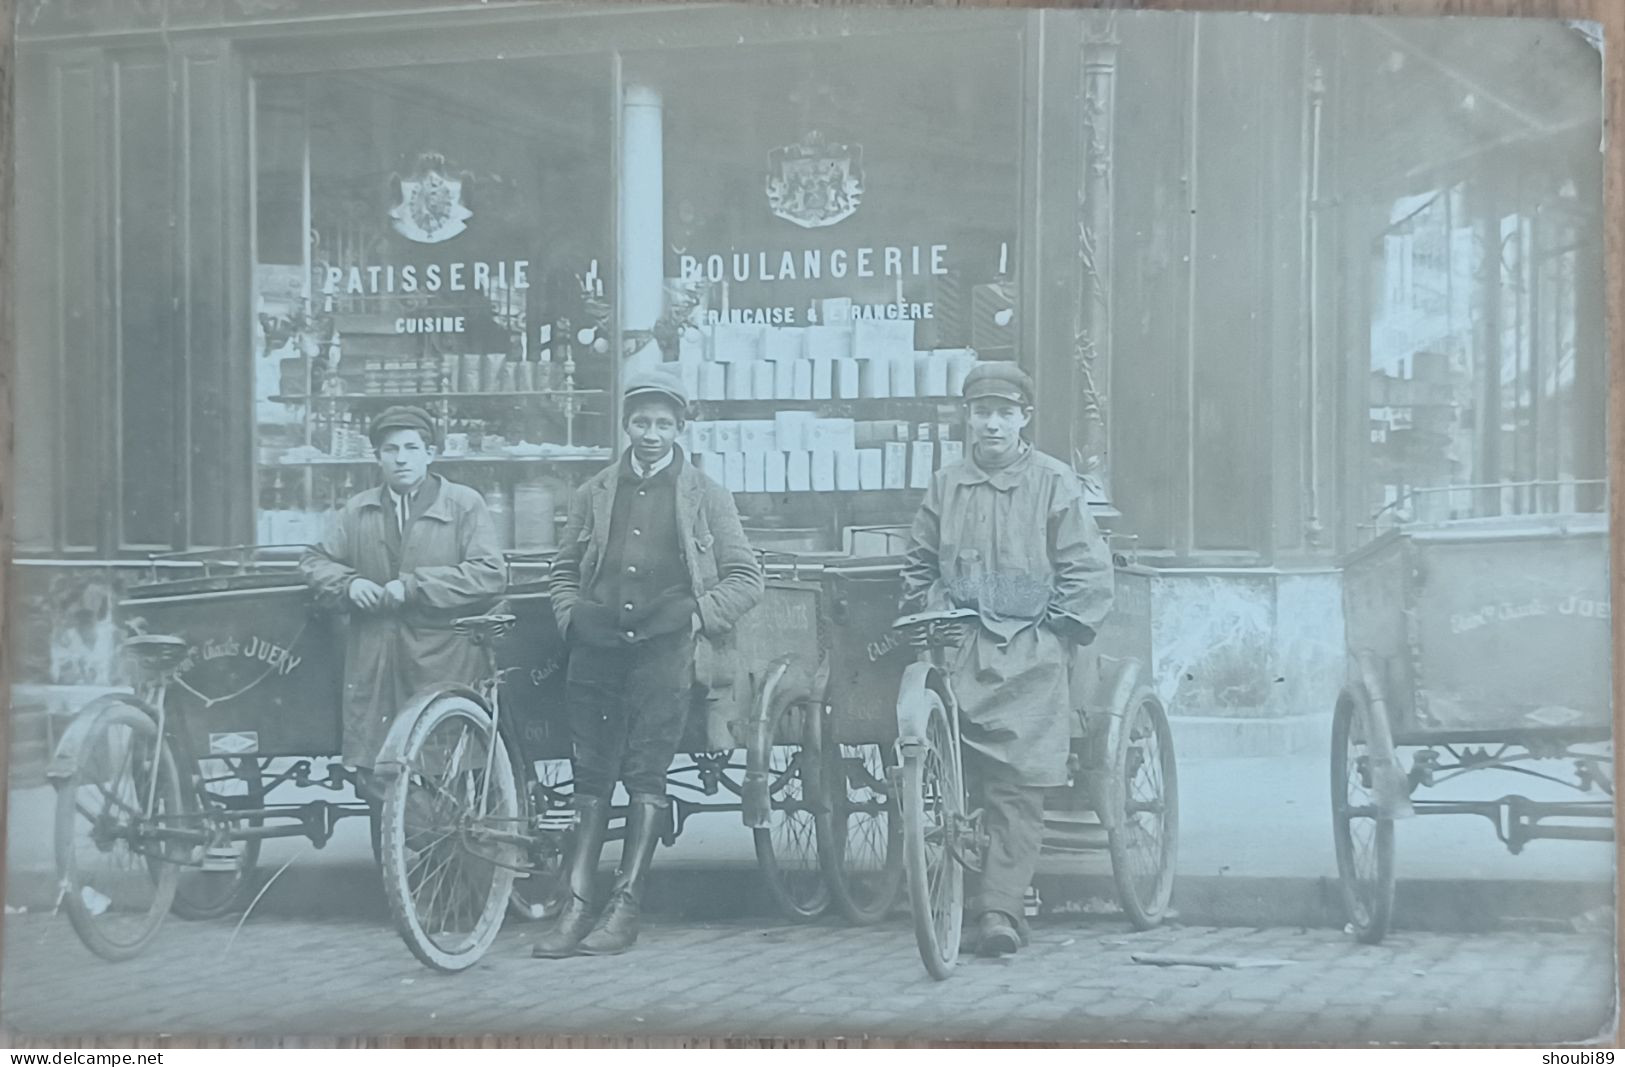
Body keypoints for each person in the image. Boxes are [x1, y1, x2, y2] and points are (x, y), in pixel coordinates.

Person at [535, 364, 764, 959]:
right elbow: (562, 569)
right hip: (597, 651)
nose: (651, 434)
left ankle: (625, 908)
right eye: (641, 422)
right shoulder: (595, 492)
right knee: (590, 777)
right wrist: (571, 615)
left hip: (665, 656)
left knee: (644, 774)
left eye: (664, 423)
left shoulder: (706, 495)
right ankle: (576, 906)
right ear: (626, 426)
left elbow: (746, 578)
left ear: (681, 427)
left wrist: (693, 617)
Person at [898, 361, 1114, 958]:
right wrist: (927, 611)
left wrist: (1056, 630)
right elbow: (918, 559)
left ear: (1024, 418)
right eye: (981, 411)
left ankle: (1000, 909)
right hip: (958, 642)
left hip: (1030, 648)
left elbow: (1086, 567)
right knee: (949, 778)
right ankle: (957, 893)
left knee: (1017, 786)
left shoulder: (1053, 481)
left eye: (1004, 413)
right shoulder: (946, 483)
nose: (992, 424)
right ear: (966, 417)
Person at [300, 405, 506, 787]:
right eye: (390, 450)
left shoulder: (463, 505)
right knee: (379, 773)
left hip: (441, 657)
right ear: (377, 457)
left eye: (412, 448)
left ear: (431, 453)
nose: (401, 459)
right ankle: (391, 845)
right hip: (375, 657)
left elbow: (490, 573)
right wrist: (348, 584)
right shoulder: (358, 510)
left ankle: (448, 844)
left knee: (447, 766)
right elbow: (315, 560)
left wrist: (414, 586)